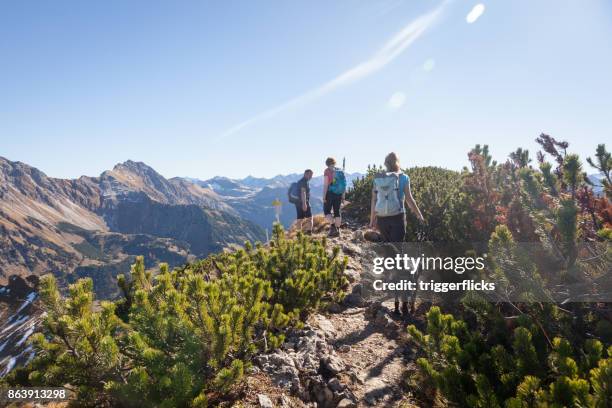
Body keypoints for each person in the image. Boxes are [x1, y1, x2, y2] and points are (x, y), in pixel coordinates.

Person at [369, 152, 424, 315]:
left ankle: (391, 284)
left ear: (385, 163)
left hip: (382, 219)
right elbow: (409, 199)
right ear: (398, 163)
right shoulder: (403, 177)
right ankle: (403, 300)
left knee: (388, 253)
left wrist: (372, 220)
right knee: (398, 254)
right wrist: (419, 215)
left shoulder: (378, 178)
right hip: (398, 218)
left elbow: (373, 200)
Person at [322, 157, 346, 237]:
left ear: (327, 163)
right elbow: (344, 185)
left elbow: (326, 185)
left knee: (327, 211)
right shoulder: (340, 171)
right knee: (337, 212)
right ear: (334, 162)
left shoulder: (327, 171)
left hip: (330, 193)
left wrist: (324, 196)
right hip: (338, 194)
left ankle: (333, 227)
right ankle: (338, 230)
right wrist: (343, 196)